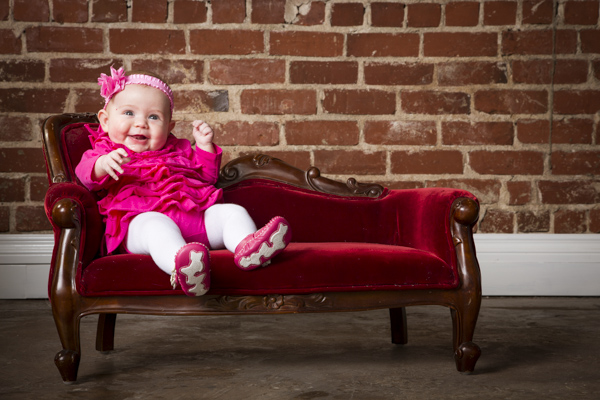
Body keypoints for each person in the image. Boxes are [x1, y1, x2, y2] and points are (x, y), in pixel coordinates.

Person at [75, 67, 292, 297]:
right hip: (139, 224)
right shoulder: (106, 153)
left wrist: (204, 147)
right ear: (105, 121)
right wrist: (101, 165)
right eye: (129, 113)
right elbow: (86, 176)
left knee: (231, 212)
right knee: (154, 225)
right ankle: (184, 267)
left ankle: (247, 247)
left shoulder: (178, 150)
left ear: (169, 127)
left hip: (197, 223)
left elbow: (206, 178)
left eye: (153, 117)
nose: (141, 123)